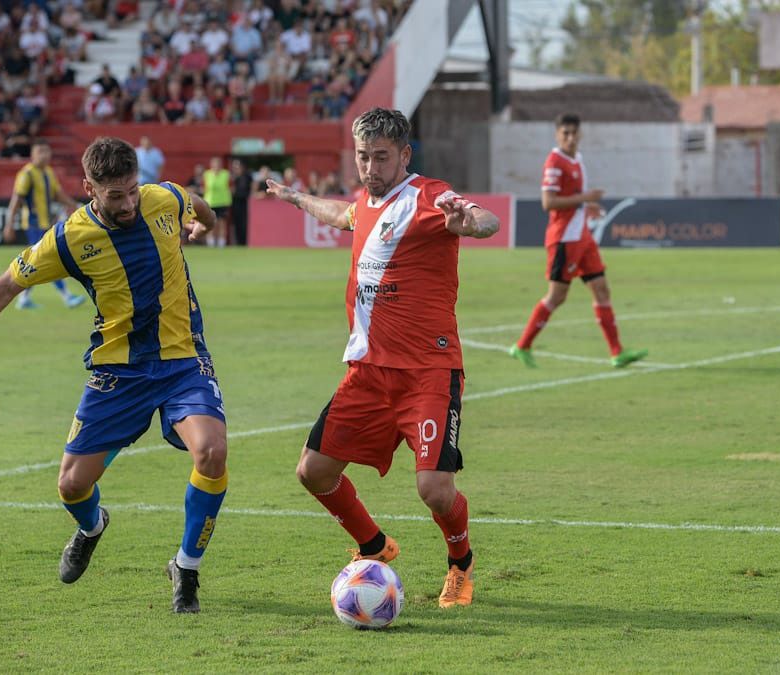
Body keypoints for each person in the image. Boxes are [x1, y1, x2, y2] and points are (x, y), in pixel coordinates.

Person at [0, 136, 229, 613]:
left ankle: (186, 568)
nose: (130, 203)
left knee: (211, 452)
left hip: (183, 361)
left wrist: (203, 225)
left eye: (133, 190)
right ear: (89, 187)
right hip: (119, 372)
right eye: (116, 196)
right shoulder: (69, 239)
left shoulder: (162, 197)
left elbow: (195, 203)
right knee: (71, 485)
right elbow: (6, 285)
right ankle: (92, 527)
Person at [265, 107, 499, 608]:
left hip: (428, 373)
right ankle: (375, 545)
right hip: (368, 373)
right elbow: (340, 214)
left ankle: (461, 563)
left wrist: (472, 223)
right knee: (314, 473)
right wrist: (294, 198)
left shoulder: (430, 197)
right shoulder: (366, 204)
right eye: (363, 157)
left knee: (435, 490)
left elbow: (484, 219)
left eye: (382, 158)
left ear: (405, 156)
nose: (370, 167)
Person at [509, 113, 648, 369]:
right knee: (557, 296)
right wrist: (584, 198)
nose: (571, 138)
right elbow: (548, 202)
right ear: (557, 134)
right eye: (566, 133)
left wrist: (587, 207)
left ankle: (617, 352)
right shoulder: (555, 162)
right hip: (565, 239)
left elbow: (571, 198)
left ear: (581, 133)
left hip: (582, 236)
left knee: (602, 289)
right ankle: (522, 345)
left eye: (575, 133)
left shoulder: (577, 159)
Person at [2, 140, 85, 309]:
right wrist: (9, 225)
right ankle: (67, 296)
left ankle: (24, 298)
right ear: (32, 155)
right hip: (33, 224)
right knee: (48, 257)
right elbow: (16, 199)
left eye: (47, 151)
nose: (44, 155)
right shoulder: (27, 174)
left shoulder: (48, 172)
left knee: (35, 262)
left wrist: (74, 204)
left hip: (46, 223)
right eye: (40, 151)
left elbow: (57, 194)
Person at [202, 156, 231, 247]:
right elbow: (205, 187)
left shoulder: (226, 174)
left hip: (223, 201)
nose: (216, 166)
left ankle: (221, 243)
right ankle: (211, 242)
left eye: (218, 164)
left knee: (221, 223)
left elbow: (228, 186)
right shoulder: (207, 174)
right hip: (210, 201)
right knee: (211, 223)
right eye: (214, 164)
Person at [229, 159, 253, 246]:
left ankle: (244, 243)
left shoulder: (247, 177)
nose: (236, 169)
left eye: (238, 167)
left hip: (245, 204)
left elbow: (248, 191)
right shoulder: (233, 178)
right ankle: (239, 243)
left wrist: (234, 192)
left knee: (244, 224)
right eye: (235, 167)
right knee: (236, 224)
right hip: (235, 204)